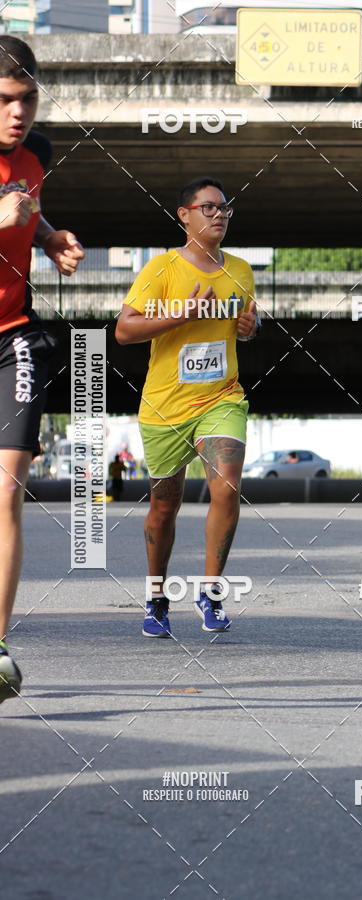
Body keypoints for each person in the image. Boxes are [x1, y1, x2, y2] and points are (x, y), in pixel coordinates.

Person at [115, 177, 259, 638]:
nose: (219, 215)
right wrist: (183, 315)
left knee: (227, 488)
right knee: (164, 506)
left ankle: (210, 592)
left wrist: (249, 328)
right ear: (185, 215)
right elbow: (124, 330)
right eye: (208, 208)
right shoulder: (162, 268)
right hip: (165, 406)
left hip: (221, 397)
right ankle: (157, 596)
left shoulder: (241, 270)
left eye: (225, 208)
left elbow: (246, 324)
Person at [0, 37, 85, 703]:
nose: (18, 113)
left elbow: (26, 202)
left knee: (6, 493)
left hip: (13, 338)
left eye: (28, 99)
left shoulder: (38, 155)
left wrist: (48, 234)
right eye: (5, 100)